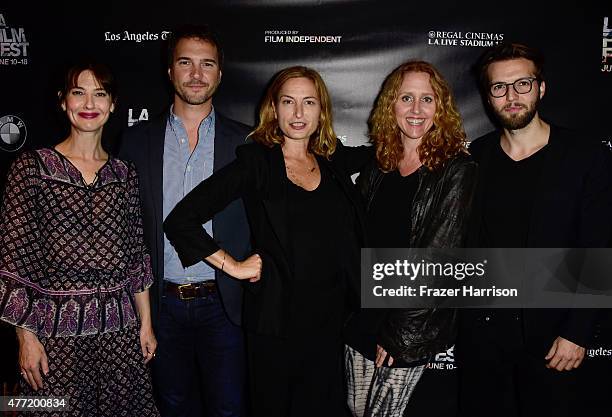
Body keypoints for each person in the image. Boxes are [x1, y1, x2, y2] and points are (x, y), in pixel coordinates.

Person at [163, 65, 371, 417]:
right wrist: (234, 266)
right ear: (274, 108)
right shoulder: (257, 162)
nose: (299, 112)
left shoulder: (333, 161)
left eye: (309, 102)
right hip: (276, 324)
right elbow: (181, 220)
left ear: (322, 111)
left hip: (330, 323)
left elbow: (392, 153)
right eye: (288, 101)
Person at [457, 42, 612, 417]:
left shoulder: (586, 156)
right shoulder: (475, 158)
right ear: (488, 96)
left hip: (554, 338)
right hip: (484, 339)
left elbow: (600, 246)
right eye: (499, 87)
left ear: (541, 88)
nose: (511, 96)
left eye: (522, 84)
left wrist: (577, 331)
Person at [0, 61, 159, 416]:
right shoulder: (31, 170)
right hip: (54, 334)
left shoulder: (124, 174)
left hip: (119, 330)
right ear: (63, 102)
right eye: (78, 92)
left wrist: (145, 324)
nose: (89, 103)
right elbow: (13, 262)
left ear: (113, 104)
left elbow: (136, 256)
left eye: (99, 94)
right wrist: (25, 337)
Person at [119, 24, 250, 417]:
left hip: (225, 304)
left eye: (207, 64)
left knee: (230, 409)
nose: (196, 74)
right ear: (170, 71)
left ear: (220, 74)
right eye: (186, 63)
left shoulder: (247, 143)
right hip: (161, 306)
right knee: (172, 407)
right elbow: (127, 230)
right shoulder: (136, 142)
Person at [343, 60, 478, 417]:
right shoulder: (379, 164)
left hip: (405, 324)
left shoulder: (456, 170)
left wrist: (399, 333)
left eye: (427, 99)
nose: (416, 110)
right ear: (392, 105)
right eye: (407, 98)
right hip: (361, 316)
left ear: (440, 108)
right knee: (357, 411)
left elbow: (438, 258)